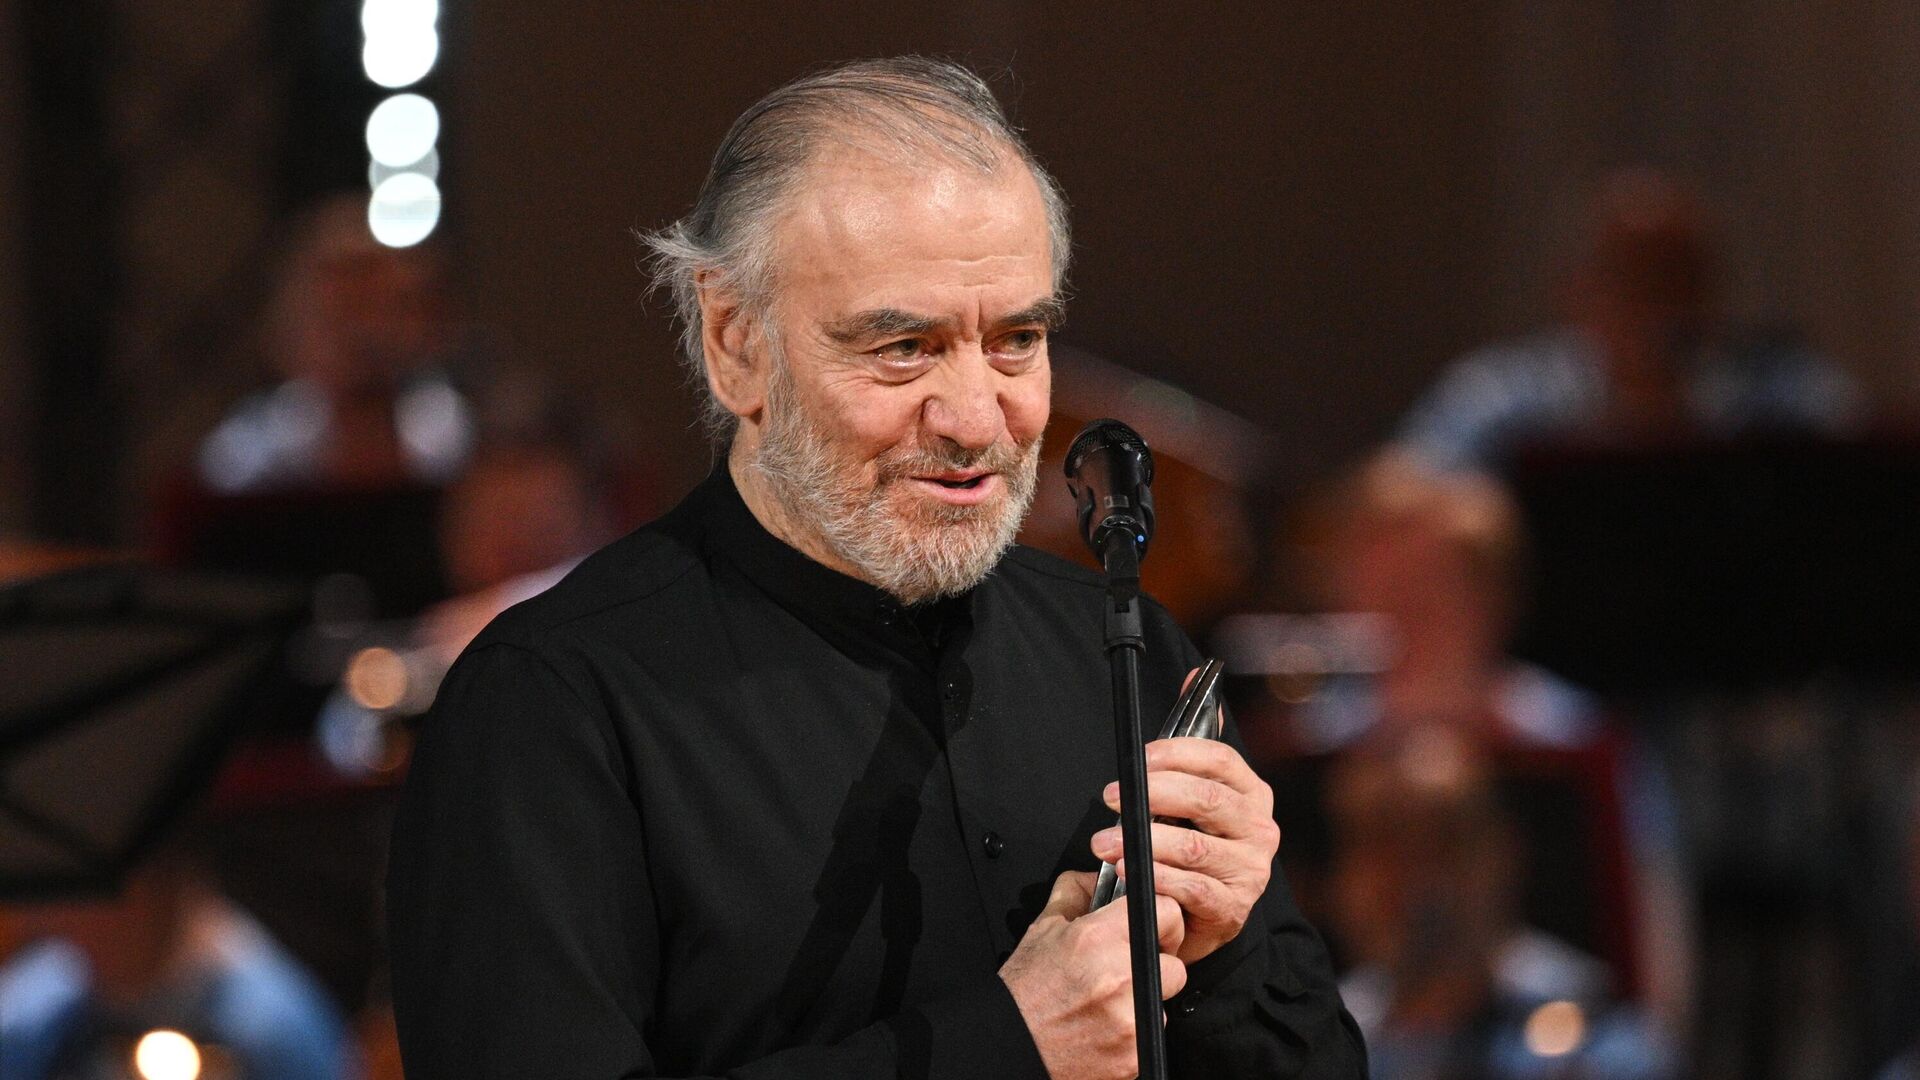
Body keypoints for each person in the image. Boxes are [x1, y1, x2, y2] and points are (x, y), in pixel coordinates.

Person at [386, 57, 1363, 1079]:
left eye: (1016, 340)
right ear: (736, 344)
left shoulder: (1124, 650)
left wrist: (1225, 952)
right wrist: (1009, 1047)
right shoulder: (546, 706)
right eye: (903, 347)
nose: (977, 419)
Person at [1395, 168, 1857, 474]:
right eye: (1631, 279)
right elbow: (1401, 500)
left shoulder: (1783, 401)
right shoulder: (1504, 402)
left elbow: (1871, 487)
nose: (1659, 305)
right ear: (1574, 291)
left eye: (1679, 278)